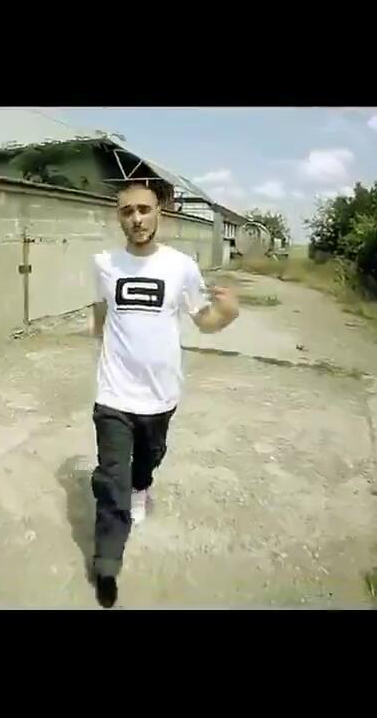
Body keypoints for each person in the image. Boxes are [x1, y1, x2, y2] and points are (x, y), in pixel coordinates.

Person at [88, 178, 240, 608]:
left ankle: (142, 487)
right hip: (114, 393)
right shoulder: (104, 264)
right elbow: (100, 314)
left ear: (159, 213)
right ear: (118, 217)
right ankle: (107, 563)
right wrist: (106, 350)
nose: (136, 219)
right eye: (127, 211)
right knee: (111, 479)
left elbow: (203, 320)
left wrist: (227, 314)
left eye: (144, 209)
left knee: (148, 458)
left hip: (161, 395)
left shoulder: (181, 267)